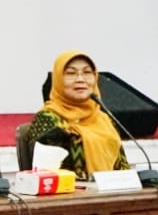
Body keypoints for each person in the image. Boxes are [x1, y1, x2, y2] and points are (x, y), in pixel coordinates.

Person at [27, 50, 131, 180]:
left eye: (87, 72)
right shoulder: (47, 119)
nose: (80, 79)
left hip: (112, 189)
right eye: (71, 73)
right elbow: (48, 174)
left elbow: (123, 169)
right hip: (71, 191)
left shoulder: (104, 119)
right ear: (58, 79)